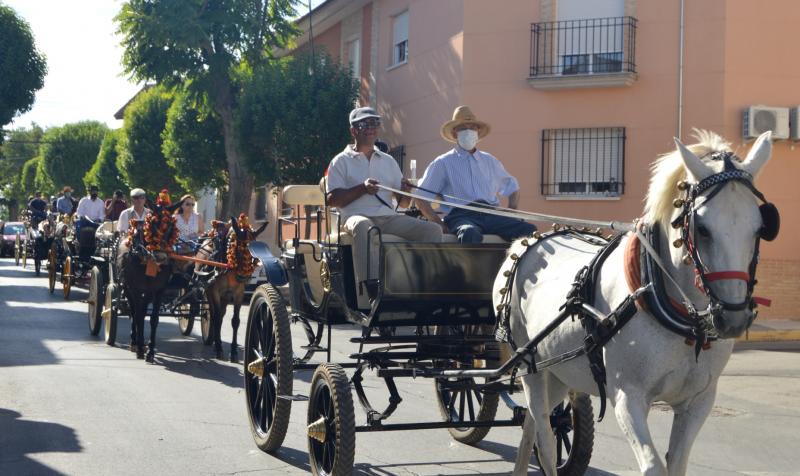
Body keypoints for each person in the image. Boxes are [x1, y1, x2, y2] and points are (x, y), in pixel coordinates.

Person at [326, 106, 442, 299]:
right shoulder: (340, 161)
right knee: (365, 227)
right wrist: (362, 188)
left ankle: (426, 283)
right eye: (365, 124)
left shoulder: (388, 161)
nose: (371, 128)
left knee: (432, 230)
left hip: (387, 217)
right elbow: (332, 200)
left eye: (375, 123)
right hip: (355, 217)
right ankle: (371, 287)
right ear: (354, 130)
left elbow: (403, 204)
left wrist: (406, 191)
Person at [415, 106, 536, 243]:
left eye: (472, 127)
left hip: (492, 214)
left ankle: (514, 265)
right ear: (455, 133)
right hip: (461, 216)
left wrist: (512, 210)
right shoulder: (442, 163)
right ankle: (468, 265)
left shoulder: (490, 160)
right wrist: (439, 223)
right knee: (469, 232)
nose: (469, 131)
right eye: (463, 128)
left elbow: (512, 187)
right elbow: (421, 198)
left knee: (529, 231)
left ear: (478, 132)